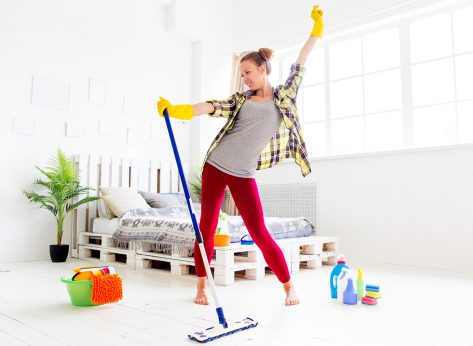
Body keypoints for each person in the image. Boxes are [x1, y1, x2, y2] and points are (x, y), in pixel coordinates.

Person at [158, 5, 324, 306]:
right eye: (241, 73)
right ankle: (201, 287)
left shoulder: (283, 97)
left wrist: (315, 31)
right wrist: (180, 110)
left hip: (243, 172)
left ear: (262, 69)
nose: (244, 78)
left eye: (248, 72)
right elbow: (212, 106)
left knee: (259, 231)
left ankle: (288, 287)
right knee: (206, 226)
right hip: (215, 165)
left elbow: (301, 62)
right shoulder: (240, 99)